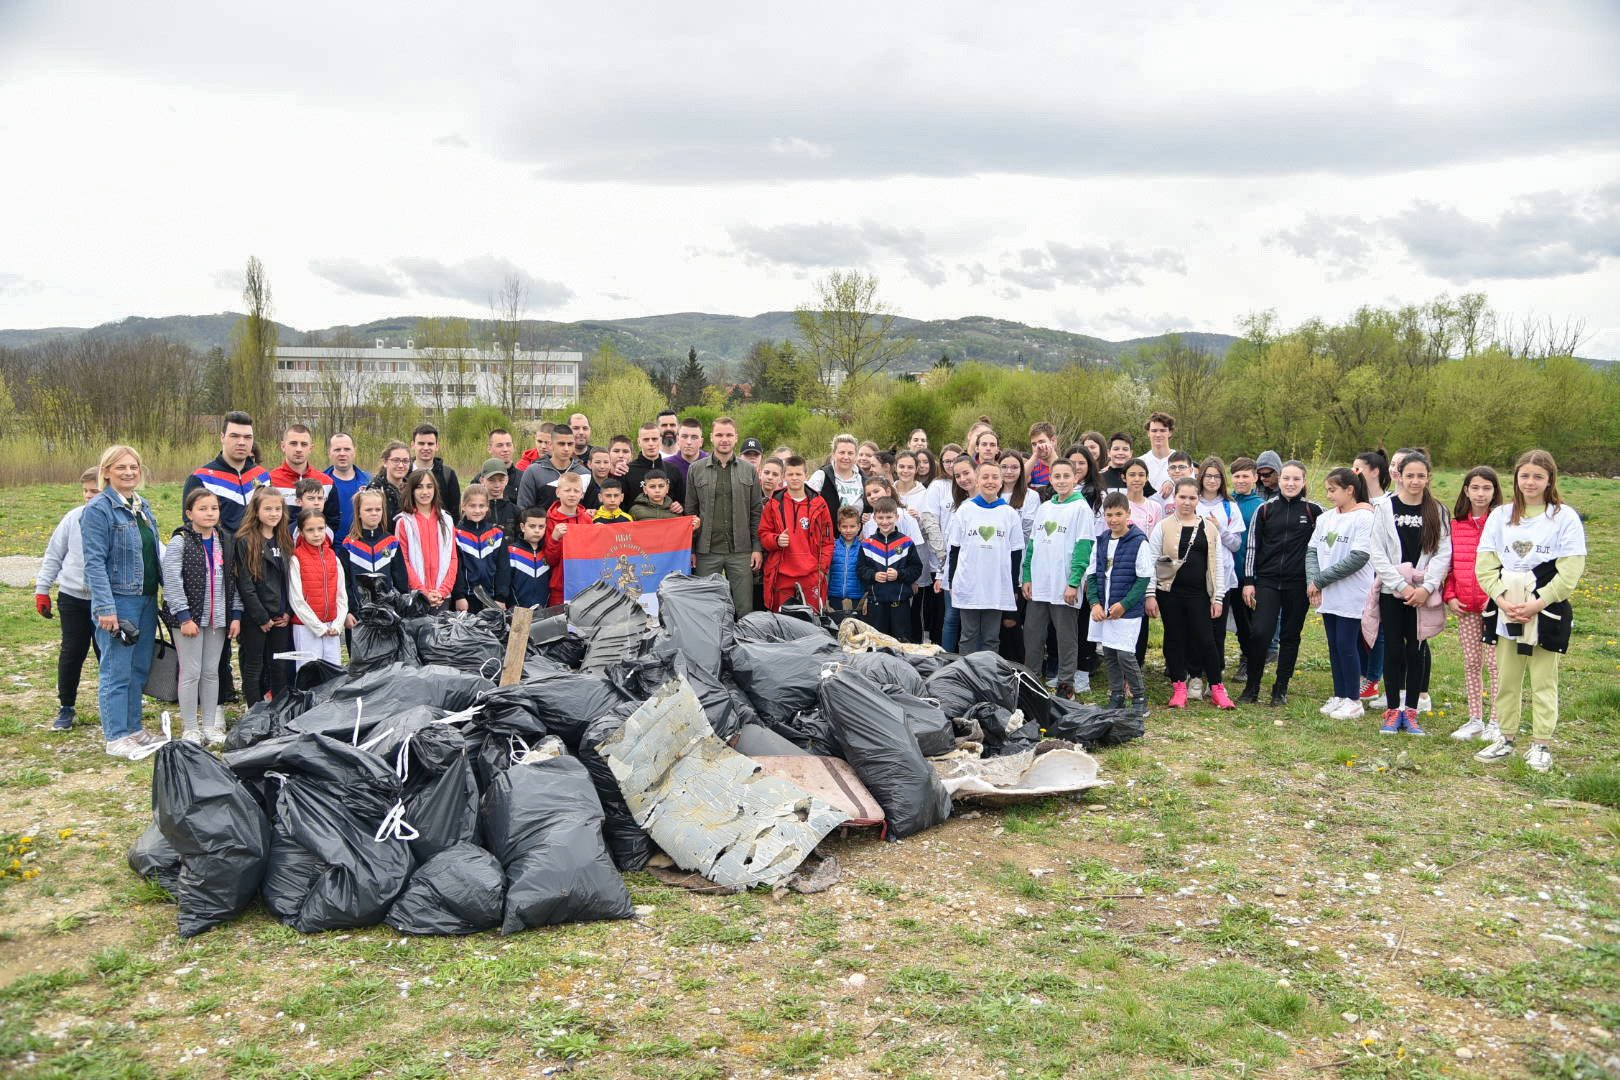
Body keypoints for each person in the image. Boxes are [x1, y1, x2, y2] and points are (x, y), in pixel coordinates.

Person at [1474, 449, 1586, 772]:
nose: (1530, 482)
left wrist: (1538, 602)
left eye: (1538, 476)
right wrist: (1502, 598)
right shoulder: (1501, 516)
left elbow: (1570, 571)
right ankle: (1505, 738)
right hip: (1507, 608)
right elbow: (1486, 565)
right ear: (1516, 478)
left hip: (1545, 609)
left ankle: (1541, 745)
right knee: (1506, 678)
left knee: (1543, 680)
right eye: (1525, 476)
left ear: (1550, 479)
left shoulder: (1564, 518)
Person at [81, 445, 162, 758]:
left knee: (138, 668)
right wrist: (105, 608)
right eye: (121, 468)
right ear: (106, 472)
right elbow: (95, 563)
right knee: (116, 668)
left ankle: (134, 728)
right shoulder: (98, 510)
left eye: (133, 467)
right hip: (119, 600)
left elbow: (153, 552)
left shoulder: (142, 506)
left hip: (145, 598)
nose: (129, 472)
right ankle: (115, 735)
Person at [1367, 451, 1451, 735]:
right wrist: (1401, 586)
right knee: (1392, 649)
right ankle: (1393, 711)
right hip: (1393, 591)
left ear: (1429, 478)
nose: (1415, 481)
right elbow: (1377, 552)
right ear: (1399, 476)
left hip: (1422, 593)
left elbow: (1442, 553)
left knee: (1415, 651)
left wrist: (1426, 588)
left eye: (1421, 476)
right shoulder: (1385, 508)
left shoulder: (1437, 511)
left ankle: (1412, 711)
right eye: (1410, 475)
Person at [160, 488, 241, 745]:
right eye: (203, 508)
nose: (209, 513)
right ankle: (190, 728)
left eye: (214, 508)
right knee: (190, 672)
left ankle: (209, 726)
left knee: (210, 672)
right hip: (189, 620)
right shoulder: (180, 541)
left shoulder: (225, 541)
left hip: (217, 619)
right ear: (189, 513)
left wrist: (235, 614)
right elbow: (171, 581)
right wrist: (184, 617)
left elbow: (234, 581)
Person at [1151, 478, 1237, 710]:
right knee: (1174, 639)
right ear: (1175, 498)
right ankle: (1179, 686)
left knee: (1206, 640)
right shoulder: (1163, 526)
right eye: (1182, 497)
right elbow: (1152, 561)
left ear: (1198, 498)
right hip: (1169, 593)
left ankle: (1218, 688)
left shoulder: (1209, 528)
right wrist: (1150, 594)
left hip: (1199, 594)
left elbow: (1217, 564)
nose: (1187, 502)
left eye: (1192, 497)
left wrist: (1217, 597)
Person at [1239, 461, 1319, 706]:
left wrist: (1316, 581)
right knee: (1260, 633)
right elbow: (1253, 546)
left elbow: (1322, 548)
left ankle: (1280, 688)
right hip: (1268, 582)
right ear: (1279, 480)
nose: (1290, 484)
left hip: (1298, 584)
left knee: (1290, 636)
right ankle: (1252, 687)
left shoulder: (1315, 511)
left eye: (1296, 479)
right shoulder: (1265, 510)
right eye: (1286, 479)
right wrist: (1249, 581)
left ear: (1304, 482)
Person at [1021, 458, 1095, 698]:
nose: (1062, 481)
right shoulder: (1044, 508)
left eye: (1066, 476)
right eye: (1057, 476)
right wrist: (1028, 577)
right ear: (1050, 479)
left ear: (1075, 479)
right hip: (1039, 583)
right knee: (1032, 633)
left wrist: (1074, 582)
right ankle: (1031, 679)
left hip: (1064, 584)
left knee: (1065, 636)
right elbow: (1031, 547)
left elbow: (1084, 548)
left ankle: (1066, 683)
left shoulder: (1081, 508)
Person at [1306, 467, 1375, 721]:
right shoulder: (1326, 518)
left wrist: (1321, 580)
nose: (1329, 495)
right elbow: (1312, 550)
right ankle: (1340, 694)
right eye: (1327, 490)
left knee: (1347, 645)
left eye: (1333, 490)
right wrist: (1313, 581)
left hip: (1352, 593)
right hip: (1327, 594)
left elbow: (1360, 556)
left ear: (1350, 490)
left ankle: (1354, 700)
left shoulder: (1365, 518)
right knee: (1334, 645)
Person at [35, 468, 102, 730]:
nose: (89, 496)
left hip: (105, 601)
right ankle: (66, 707)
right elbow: (54, 555)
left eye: (94, 491)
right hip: (72, 597)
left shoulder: (119, 518)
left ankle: (113, 707)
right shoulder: (72, 518)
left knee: (106, 654)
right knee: (72, 652)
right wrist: (43, 589)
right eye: (86, 491)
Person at [1445, 467, 1504, 742]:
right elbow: (1448, 564)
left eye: (1487, 488)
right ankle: (1475, 718)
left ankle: (1497, 720)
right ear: (1466, 490)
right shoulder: (1455, 524)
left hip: (1495, 605)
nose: (1481, 494)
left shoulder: (1503, 522)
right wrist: (1450, 595)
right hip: (1466, 605)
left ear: (1495, 492)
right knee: (1471, 662)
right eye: (1475, 488)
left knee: (1495, 664)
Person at [944, 459, 1025, 655]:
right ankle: (966, 677)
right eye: (985, 477)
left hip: (996, 585)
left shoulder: (1009, 513)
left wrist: (1013, 586)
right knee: (969, 635)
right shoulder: (965, 510)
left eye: (995, 477)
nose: (990, 481)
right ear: (977, 481)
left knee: (991, 637)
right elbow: (954, 549)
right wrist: (952, 582)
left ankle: (988, 678)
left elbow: (1016, 553)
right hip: (969, 584)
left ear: (1001, 481)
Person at [687, 416, 764, 615]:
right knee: (706, 607)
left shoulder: (749, 471)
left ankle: (744, 643)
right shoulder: (695, 469)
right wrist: (692, 549)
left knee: (744, 608)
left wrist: (757, 548)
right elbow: (690, 512)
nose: (724, 439)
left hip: (741, 551)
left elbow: (756, 511)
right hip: (707, 550)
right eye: (719, 434)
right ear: (711, 438)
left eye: (729, 435)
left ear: (736, 437)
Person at [1088, 493, 1151, 717]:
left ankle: (1140, 699)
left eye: (1118, 514)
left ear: (1128, 514)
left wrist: (1124, 605)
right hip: (1104, 607)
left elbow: (1143, 578)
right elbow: (1093, 574)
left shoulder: (1138, 541)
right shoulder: (1103, 539)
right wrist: (1095, 603)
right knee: (1109, 652)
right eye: (1109, 515)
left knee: (1125, 654)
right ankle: (1116, 696)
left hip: (1126, 610)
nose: (1113, 519)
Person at [234, 487, 293, 705]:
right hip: (256, 617)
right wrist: (261, 617)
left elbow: (289, 582)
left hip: (280, 616)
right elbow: (245, 584)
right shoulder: (245, 540)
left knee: (279, 665)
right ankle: (253, 711)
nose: (273, 513)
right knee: (254, 665)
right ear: (256, 511)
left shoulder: (284, 539)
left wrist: (288, 611)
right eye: (267, 508)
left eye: (278, 508)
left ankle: (279, 709)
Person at [1195, 456, 1245, 697]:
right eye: (1208, 475)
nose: (1212, 480)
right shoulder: (1193, 502)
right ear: (1201, 477)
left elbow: (1236, 544)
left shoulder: (1229, 506)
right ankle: (1194, 674)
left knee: (1217, 629)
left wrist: (1219, 529)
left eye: (1217, 476)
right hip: (1195, 575)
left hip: (1222, 578)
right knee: (1195, 626)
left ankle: (1215, 675)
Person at [760, 456, 835, 612]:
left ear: (806, 475)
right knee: (782, 622)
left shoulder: (819, 504)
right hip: (782, 575)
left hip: (810, 575)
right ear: (784, 476)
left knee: (811, 623)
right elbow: (763, 534)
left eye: (798, 474)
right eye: (790, 474)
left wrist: (821, 570)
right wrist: (776, 540)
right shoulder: (774, 503)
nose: (794, 478)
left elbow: (827, 542)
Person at [184, 411, 269, 537]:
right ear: (222, 437)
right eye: (234, 436)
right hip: (220, 554)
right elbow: (190, 527)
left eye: (247, 437)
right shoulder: (202, 478)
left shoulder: (263, 476)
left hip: (257, 553)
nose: (241, 442)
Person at [1353, 450, 1393, 702]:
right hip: (1358, 574)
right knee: (1358, 625)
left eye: (1358, 469)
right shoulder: (1356, 501)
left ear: (1374, 471)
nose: (1354, 473)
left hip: (1382, 573)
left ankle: (1373, 679)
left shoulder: (1388, 503)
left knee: (1378, 628)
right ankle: (1360, 675)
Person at [930, 454, 980, 652]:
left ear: (977, 471)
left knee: (974, 624)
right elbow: (952, 546)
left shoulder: (992, 503)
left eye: (966, 473)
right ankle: (947, 662)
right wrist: (942, 574)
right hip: (955, 572)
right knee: (951, 618)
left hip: (977, 573)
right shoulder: (960, 505)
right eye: (958, 476)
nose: (962, 479)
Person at [288, 509, 348, 670]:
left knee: (333, 672)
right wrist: (319, 628)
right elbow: (296, 599)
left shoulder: (333, 558)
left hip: (331, 626)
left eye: (320, 529)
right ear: (301, 532)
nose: (316, 534)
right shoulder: (296, 559)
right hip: (306, 627)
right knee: (309, 673)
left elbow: (341, 595)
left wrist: (337, 624)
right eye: (310, 530)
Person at [894, 450, 943, 641]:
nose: (905, 471)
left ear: (917, 469)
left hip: (917, 551)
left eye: (910, 467)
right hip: (893, 553)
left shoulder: (925, 493)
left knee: (917, 601)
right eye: (902, 466)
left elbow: (932, 524)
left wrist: (919, 518)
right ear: (896, 467)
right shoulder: (890, 489)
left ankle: (916, 641)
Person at [858, 498, 922, 640]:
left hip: (900, 603)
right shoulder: (868, 544)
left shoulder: (906, 542)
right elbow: (861, 569)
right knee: (878, 642)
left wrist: (899, 574)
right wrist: (873, 575)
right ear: (874, 518)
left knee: (901, 642)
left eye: (889, 517)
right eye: (880, 517)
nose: (885, 521)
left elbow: (917, 568)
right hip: (876, 603)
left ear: (896, 517)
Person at [395, 468, 459, 611]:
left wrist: (443, 591)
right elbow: (404, 560)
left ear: (435, 489)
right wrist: (423, 592)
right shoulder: (404, 522)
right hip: (417, 597)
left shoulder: (447, 520)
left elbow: (453, 558)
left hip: (442, 598)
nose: (425, 492)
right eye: (419, 487)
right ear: (411, 490)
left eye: (429, 486)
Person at [1226, 457, 1265, 684]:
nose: (1241, 480)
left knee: (1248, 622)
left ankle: (1249, 661)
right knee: (1229, 620)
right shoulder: (1227, 501)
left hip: (1247, 574)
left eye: (1245, 476)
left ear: (1255, 477)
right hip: (1225, 572)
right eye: (1237, 476)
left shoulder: (1260, 505)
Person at [340, 487, 408, 601]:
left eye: (378, 509)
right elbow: (344, 583)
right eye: (368, 510)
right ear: (359, 512)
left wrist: (401, 605)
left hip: (387, 609)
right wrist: (349, 611)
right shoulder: (349, 544)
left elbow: (401, 580)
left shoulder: (391, 542)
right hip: (359, 610)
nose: (374, 513)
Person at [455, 483, 509, 613]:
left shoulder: (497, 534)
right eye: (472, 506)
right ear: (464, 507)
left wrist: (501, 597)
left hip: (492, 599)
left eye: (481, 506)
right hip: (467, 600)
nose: (477, 510)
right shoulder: (456, 534)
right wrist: (459, 596)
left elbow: (503, 568)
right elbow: (457, 569)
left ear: (487, 507)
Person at [543, 473, 595, 606]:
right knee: (560, 626)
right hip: (560, 587)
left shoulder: (587, 519)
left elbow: (593, 553)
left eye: (576, 491)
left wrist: (600, 533)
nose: (572, 494)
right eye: (567, 490)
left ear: (582, 494)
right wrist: (554, 539)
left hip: (585, 586)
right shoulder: (550, 521)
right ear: (558, 492)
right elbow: (550, 560)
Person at [517, 427, 590, 514]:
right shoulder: (533, 472)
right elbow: (524, 509)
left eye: (570, 444)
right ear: (551, 445)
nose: (566, 448)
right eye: (561, 444)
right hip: (543, 526)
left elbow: (591, 511)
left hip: (575, 527)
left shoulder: (585, 473)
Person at [268, 424, 333, 509]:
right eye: (293, 443)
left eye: (304, 444)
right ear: (283, 446)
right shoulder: (269, 481)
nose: (299, 449)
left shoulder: (327, 482)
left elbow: (333, 520)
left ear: (311, 448)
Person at [322, 432, 371, 540]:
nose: (342, 453)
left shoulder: (369, 481)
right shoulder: (320, 482)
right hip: (331, 549)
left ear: (354, 452)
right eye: (337, 450)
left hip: (363, 547)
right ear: (329, 453)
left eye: (347, 449)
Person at [807, 434, 866, 520]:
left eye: (850, 453)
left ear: (856, 456)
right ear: (833, 455)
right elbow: (807, 504)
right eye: (842, 452)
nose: (846, 457)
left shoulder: (863, 479)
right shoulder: (821, 476)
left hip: (855, 532)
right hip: (827, 531)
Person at [628, 423, 686, 507]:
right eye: (646, 439)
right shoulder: (628, 471)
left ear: (660, 440)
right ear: (639, 442)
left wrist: (680, 506)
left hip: (668, 519)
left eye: (654, 439)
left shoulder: (673, 469)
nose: (651, 443)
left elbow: (682, 501)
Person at [411, 423, 461, 521]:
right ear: (413, 445)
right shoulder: (404, 473)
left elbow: (454, 513)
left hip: (439, 533)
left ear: (437, 446)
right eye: (421, 443)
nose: (426, 448)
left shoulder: (448, 475)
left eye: (430, 444)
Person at [506, 506, 552, 608]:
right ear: (522, 527)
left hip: (543, 611)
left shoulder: (548, 552)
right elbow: (505, 585)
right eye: (532, 526)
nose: (537, 530)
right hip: (518, 612)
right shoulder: (511, 552)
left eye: (541, 527)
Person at [826, 506, 866, 621]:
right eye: (844, 526)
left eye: (852, 526)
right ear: (838, 527)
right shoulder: (832, 546)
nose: (848, 530)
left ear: (859, 527)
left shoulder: (864, 547)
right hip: (835, 596)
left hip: (857, 598)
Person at [477, 458, 519, 535]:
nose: (497, 485)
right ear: (482, 481)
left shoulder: (515, 511)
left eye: (501, 480)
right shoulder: (476, 511)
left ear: (506, 480)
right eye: (491, 480)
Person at [1122, 458, 1163, 535]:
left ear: (1147, 478)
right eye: (1132, 475)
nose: (1137, 479)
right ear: (1124, 478)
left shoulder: (1155, 507)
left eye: (1141, 475)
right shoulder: (1118, 504)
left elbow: (1157, 537)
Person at [1143, 412, 1178, 497]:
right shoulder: (1141, 462)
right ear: (1148, 433)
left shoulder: (1182, 460)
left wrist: (1172, 482)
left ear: (1170, 432)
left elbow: (1190, 485)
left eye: (1162, 430)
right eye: (1154, 431)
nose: (1158, 435)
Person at [663, 417, 707, 483]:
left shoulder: (711, 463)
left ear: (701, 442)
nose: (689, 442)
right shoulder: (666, 465)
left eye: (694, 437)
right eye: (684, 437)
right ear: (677, 440)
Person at [1065, 444, 1103, 510]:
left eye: (1082, 463)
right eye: (1072, 462)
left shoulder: (1097, 493)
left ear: (1089, 466)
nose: (1077, 467)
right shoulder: (1056, 489)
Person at [581, 446, 615, 511]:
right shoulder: (583, 484)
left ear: (610, 464)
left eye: (606, 462)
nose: (602, 466)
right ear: (589, 464)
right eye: (597, 462)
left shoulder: (616, 484)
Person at [1026, 422, 1058, 492]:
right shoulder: (1032, 467)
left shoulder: (1066, 465)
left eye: (1041, 442)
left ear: (1053, 441)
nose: (1038, 447)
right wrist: (1035, 456)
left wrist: (1051, 451)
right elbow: (1020, 480)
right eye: (1034, 444)